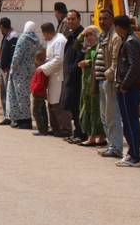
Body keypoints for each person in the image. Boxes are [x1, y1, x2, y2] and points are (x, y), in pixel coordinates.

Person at [114, 15, 140, 167]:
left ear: (118, 27)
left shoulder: (130, 42)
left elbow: (134, 66)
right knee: (129, 121)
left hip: (129, 89)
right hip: (130, 87)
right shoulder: (131, 39)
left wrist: (124, 85)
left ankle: (134, 156)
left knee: (129, 122)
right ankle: (132, 153)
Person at [97, 9, 124, 159]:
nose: (102, 21)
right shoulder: (103, 36)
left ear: (112, 20)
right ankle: (111, 145)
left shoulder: (115, 37)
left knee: (112, 116)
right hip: (101, 81)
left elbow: (115, 61)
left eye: (105, 19)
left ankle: (116, 148)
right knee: (104, 116)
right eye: (100, 19)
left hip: (110, 81)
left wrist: (109, 75)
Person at [5, 21, 38, 129]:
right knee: (25, 95)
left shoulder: (23, 38)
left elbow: (17, 55)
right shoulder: (36, 39)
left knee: (18, 96)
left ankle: (24, 120)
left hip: (20, 71)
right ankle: (24, 119)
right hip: (30, 70)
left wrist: (12, 68)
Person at [38, 22, 69, 137]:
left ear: (47, 33)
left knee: (59, 105)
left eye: (43, 34)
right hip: (52, 76)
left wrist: (43, 68)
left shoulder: (59, 41)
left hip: (59, 76)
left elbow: (59, 59)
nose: (43, 37)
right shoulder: (52, 40)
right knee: (52, 103)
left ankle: (65, 129)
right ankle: (56, 128)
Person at [78, 26, 106, 146]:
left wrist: (88, 62)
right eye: (86, 35)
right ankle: (95, 136)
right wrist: (82, 34)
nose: (88, 37)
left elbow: (100, 61)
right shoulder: (88, 48)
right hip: (87, 84)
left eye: (91, 35)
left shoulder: (99, 47)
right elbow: (76, 45)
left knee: (95, 110)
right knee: (89, 109)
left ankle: (95, 137)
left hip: (95, 83)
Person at [60, 9, 85, 143]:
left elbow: (80, 56)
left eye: (73, 19)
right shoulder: (72, 35)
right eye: (68, 19)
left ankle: (81, 134)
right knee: (72, 106)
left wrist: (72, 71)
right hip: (69, 76)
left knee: (77, 106)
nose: (70, 21)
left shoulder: (82, 36)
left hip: (77, 77)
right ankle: (77, 132)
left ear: (79, 20)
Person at [0, 17, 19, 125]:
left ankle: (11, 116)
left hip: (7, 70)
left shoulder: (13, 36)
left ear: (2, 26)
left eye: (0, 27)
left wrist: (8, 67)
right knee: (3, 94)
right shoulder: (6, 35)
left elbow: (14, 54)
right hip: (2, 70)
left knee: (8, 94)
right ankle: (6, 116)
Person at [31, 50, 50, 135]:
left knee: (36, 112)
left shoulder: (40, 70)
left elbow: (39, 83)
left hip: (38, 94)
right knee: (42, 111)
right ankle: (44, 129)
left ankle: (41, 129)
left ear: (37, 60)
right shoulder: (44, 69)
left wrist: (34, 90)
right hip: (42, 93)